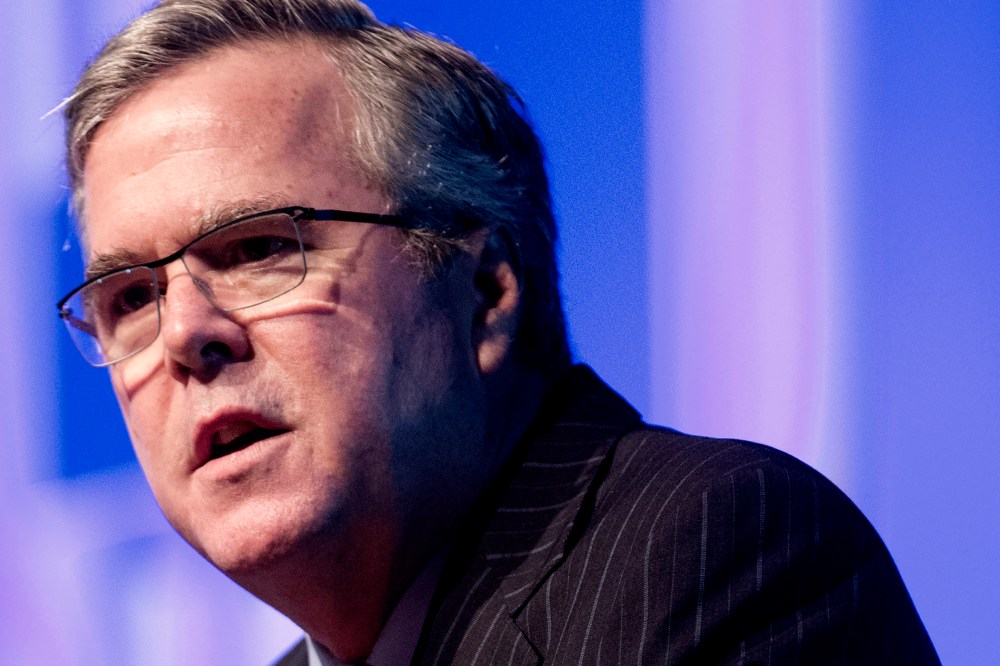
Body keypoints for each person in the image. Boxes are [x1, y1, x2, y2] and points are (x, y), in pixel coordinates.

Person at [55, 0, 939, 663]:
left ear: (483, 291)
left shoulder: (718, 551)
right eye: (129, 297)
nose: (184, 335)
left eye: (257, 249)